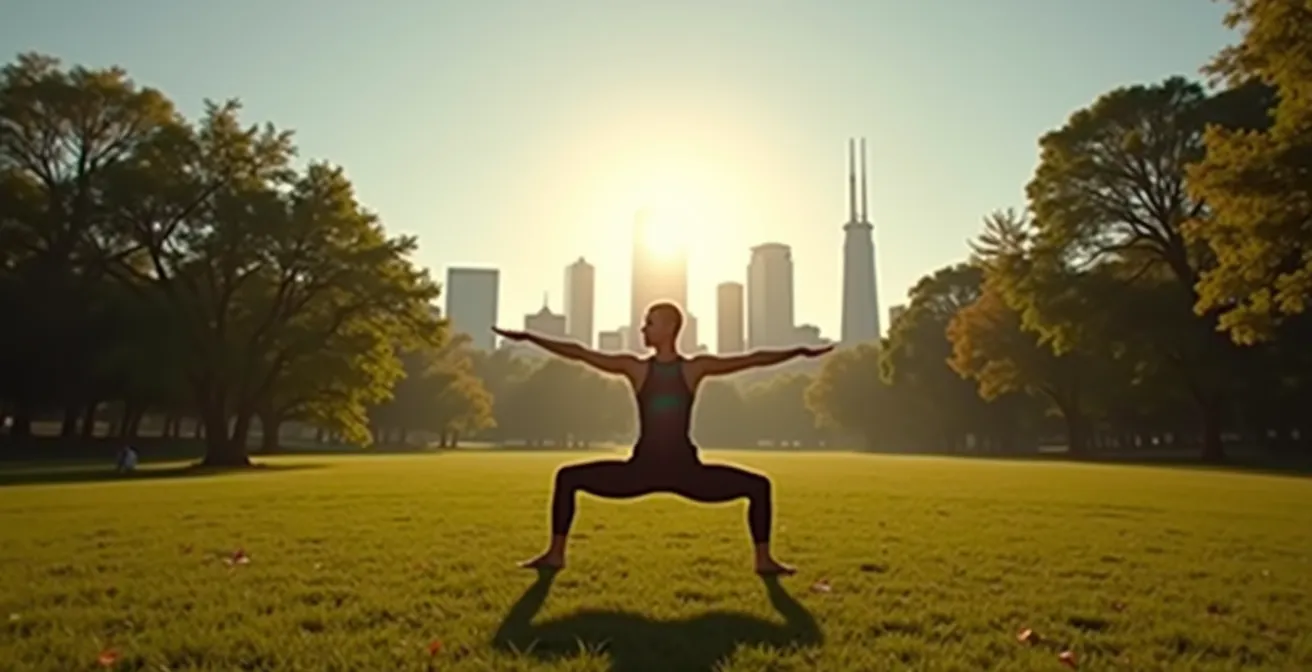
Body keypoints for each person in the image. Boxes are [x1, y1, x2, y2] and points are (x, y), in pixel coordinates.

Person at [493, 301, 833, 575]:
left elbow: (752, 360)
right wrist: (529, 337)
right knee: (567, 478)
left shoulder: (693, 368)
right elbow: (580, 352)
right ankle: (555, 556)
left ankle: (763, 560)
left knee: (759, 486)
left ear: (669, 327)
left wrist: (799, 351)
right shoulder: (636, 367)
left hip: (687, 472)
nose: (643, 329)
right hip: (641, 470)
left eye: (649, 323)